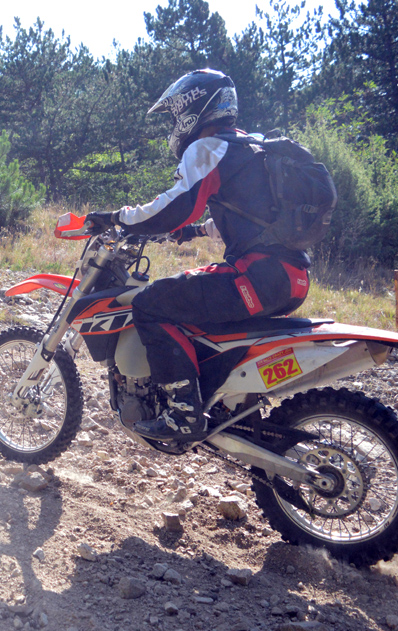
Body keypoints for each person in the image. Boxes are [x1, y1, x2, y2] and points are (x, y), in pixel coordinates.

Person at [84, 69, 311, 443]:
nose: (175, 124)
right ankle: (222, 402)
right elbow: (246, 216)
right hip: (291, 278)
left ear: (194, 109)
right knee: (193, 302)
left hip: (256, 278)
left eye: (176, 115)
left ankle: (183, 414)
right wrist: (193, 231)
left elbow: (173, 206)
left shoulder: (208, 148)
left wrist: (115, 217)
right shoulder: (250, 146)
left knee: (150, 303)